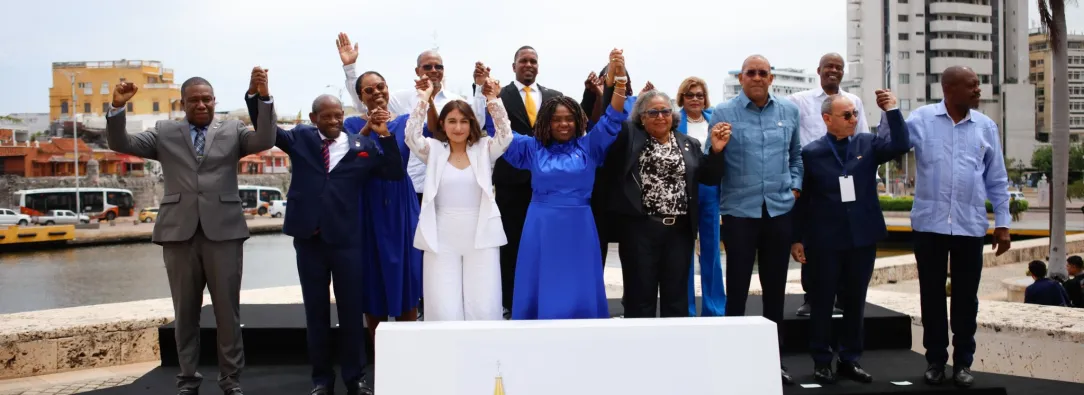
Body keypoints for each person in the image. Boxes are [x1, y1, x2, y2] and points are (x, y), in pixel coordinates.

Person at [106, 68, 277, 395]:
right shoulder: (164, 132)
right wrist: (117, 107)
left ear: (215, 101)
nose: (201, 105)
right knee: (185, 312)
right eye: (194, 100)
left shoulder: (233, 130)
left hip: (224, 232)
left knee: (228, 312)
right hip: (178, 233)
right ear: (182, 103)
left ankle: (230, 380)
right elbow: (121, 142)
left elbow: (265, 140)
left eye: (207, 99)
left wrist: (264, 98)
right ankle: (187, 379)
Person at [246, 69, 404, 395]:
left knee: (350, 314)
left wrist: (384, 134)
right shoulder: (301, 138)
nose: (334, 121)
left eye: (338, 115)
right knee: (315, 314)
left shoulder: (362, 145)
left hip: (348, 242)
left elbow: (393, 172)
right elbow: (268, 130)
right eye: (327, 116)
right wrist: (260, 97)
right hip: (310, 241)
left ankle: (356, 379)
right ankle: (321, 380)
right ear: (315, 117)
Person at [878, 66, 1012, 388]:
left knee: (966, 298)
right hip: (929, 224)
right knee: (932, 296)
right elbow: (891, 143)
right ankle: (935, 360)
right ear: (949, 89)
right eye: (973, 86)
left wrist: (1003, 224)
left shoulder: (986, 126)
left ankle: (963, 363)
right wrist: (889, 111)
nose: (978, 91)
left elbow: (996, 179)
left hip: (970, 226)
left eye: (978, 85)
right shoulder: (922, 119)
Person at [791, 91, 910, 384]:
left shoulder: (867, 144)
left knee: (855, 302)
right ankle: (821, 361)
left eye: (855, 114)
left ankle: (850, 359)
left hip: (862, 238)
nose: (853, 120)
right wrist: (797, 239)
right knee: (821, 302)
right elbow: (803, 202)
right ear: (827, 119)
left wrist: (891, 110)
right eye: (847, 115)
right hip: (824, 241)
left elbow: (901, 144)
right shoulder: (812, 153)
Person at [503, 49, 627, 320]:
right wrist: (489, 99)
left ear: (578, 120)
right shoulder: (531, 147)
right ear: (546, 121)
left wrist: (619, 80)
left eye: (569, 118)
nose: (563, 123)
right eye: (557, 118)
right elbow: (502, 134)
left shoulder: (590, 146)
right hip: (541, 225)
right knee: (542, 275)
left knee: (578, 276)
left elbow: (612, 119)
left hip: (579, 224)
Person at [709, 54, 803, 385]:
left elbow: (796, 157)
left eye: (764, 73)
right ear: (741, 77)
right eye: (751, 73)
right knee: (736, 287)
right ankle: (734, 358)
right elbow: (712, 162)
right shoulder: (722, 113)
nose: (758, 78)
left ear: (772, 78)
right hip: (739, 212)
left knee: (775, 288)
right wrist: (716, 150)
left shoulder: (789, 111)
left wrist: (794, 188)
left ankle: (772, 359)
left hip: (778, 210)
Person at [603, 89, 730, 319]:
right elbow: (610, 118)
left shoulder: (689, 143)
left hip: (679, 231)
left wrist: (717, 152)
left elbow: (709, 177)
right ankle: (640, 350)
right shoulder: (629, 136)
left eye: (665, 111)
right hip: (640, 230)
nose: (660, 117)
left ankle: (675, 351)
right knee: (640, 298)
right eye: (653, 112)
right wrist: (616, 84)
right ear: (641, 117)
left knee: (677, 299)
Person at [405, 77, 513, 321]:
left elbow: (506, 136)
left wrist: (494, 100)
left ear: (472, 124)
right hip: (441, 237)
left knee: (483, 306)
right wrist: (424, 99)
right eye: (452, 121)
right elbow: (411, 136)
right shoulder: (432, 149)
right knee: (443, 308)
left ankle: (485, 358)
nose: (458, 128)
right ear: (442, 124)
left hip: (482, 235)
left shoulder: (485, 148)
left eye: (464, 121)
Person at [344, 71, 423, 357]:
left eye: (381, 86)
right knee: (372, 277)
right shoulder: (352, 124)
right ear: (361, 97)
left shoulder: (404, 122)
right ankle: (382, 360)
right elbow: (352, 157)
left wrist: (384, 131)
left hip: (401, 202)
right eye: (368, 90)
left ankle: (408, 358)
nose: (376, 92)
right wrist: (369, 129)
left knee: (407, 276)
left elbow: (398, 164)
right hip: (368, 204)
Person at [788, 53, 869, 317]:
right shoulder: (799, 101)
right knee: (813, 239)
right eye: (829, 67)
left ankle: (844, 298)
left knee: (847, 238)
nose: (833, 70)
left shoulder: (853, 101)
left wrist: (869, 179)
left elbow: (863, 137)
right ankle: (812, 297)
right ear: (819, 70)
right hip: (814, 177)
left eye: (838, 67)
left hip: (846, 177)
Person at [493, 45, 565, 318]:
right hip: (511, 182)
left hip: (547, 182)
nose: (529, 65)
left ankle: (545, 299)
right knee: (512, 245)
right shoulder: (500, 95)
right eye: (523, 61)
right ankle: (511, 303)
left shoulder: (554, 96)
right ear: (514, 66)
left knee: (545, 245)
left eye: (533, 61)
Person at [675, 76, 726, 318]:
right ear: (682, 98)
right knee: (684, 250)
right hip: (683, 192)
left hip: (710, 191)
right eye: (690, 95)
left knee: (711, 251)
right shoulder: (674, 122)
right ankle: (686, 309)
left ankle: (714, 308)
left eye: (699, 95)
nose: (695, 99)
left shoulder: (715, 119)